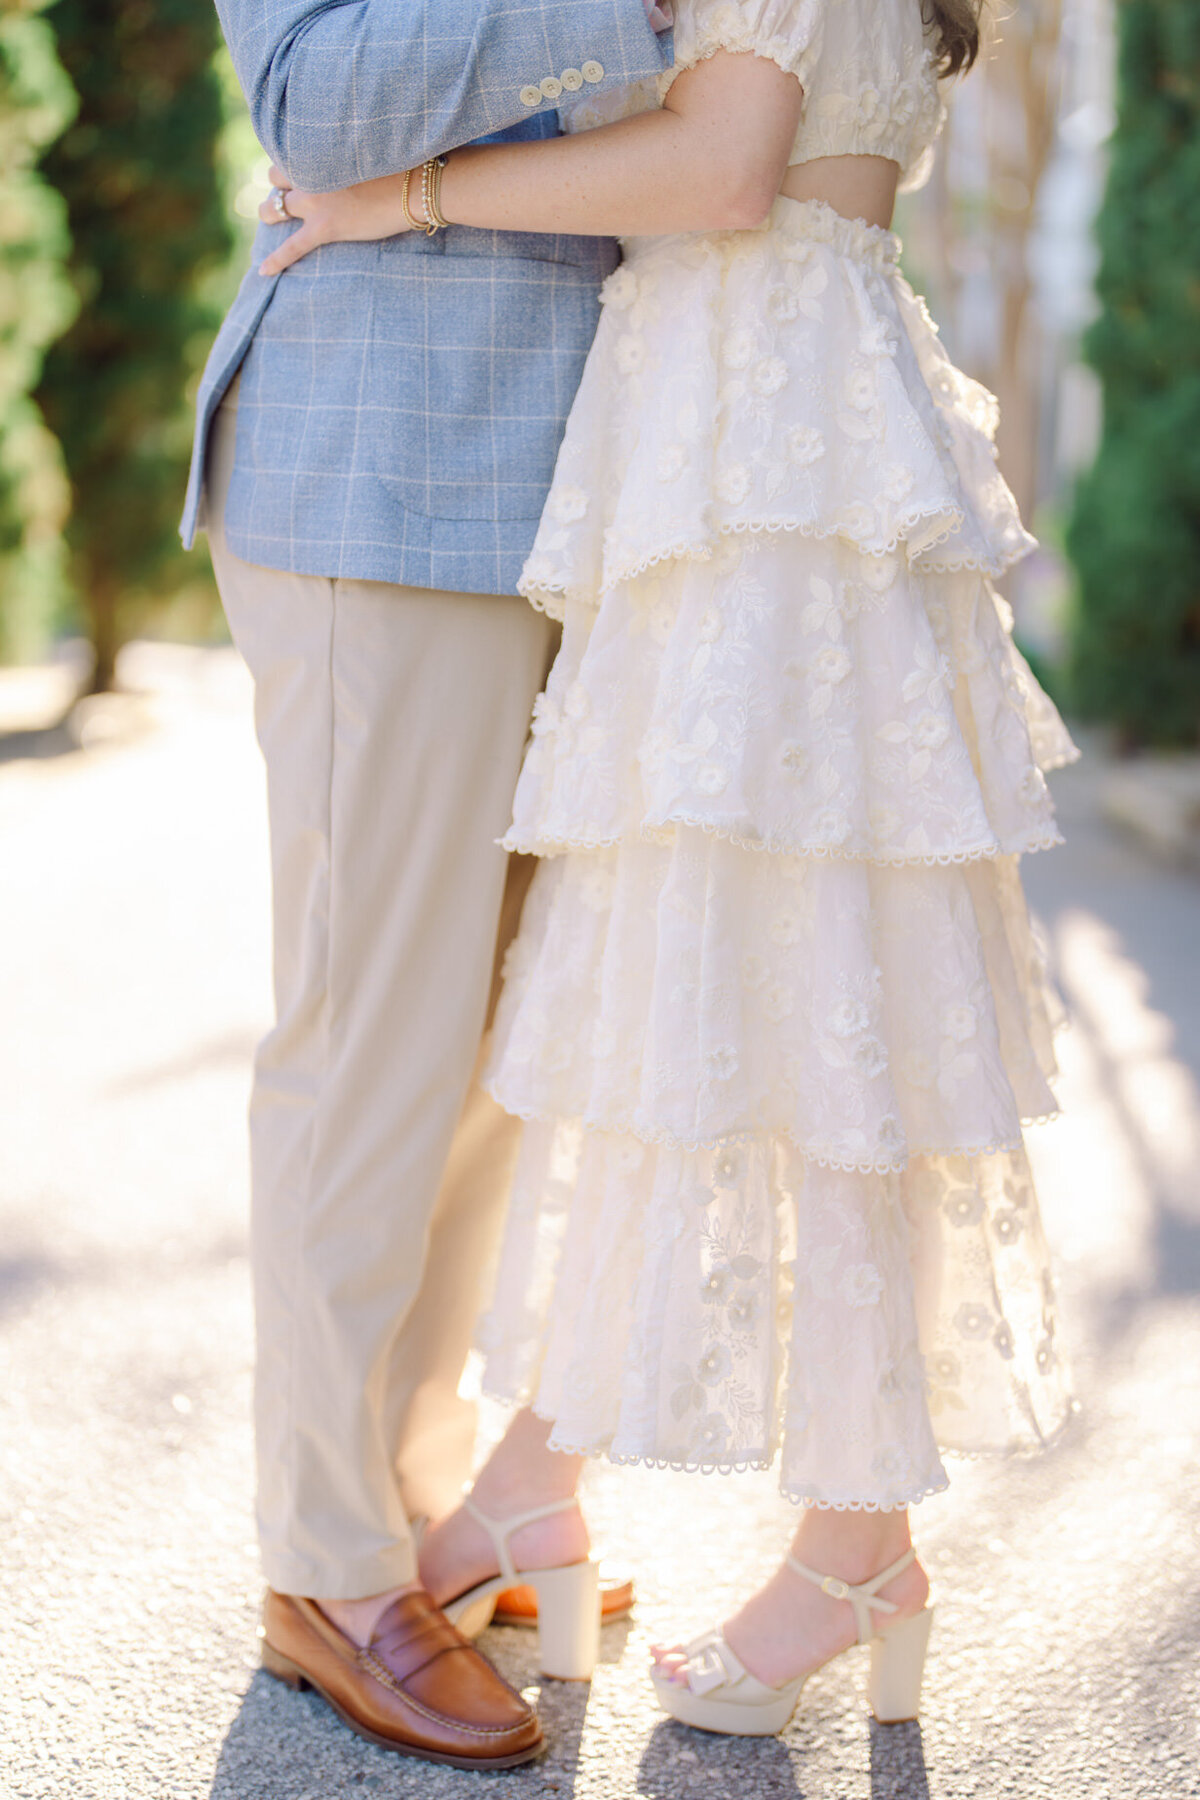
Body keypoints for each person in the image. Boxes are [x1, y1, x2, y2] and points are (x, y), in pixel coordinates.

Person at [260, 0, 1078, 1742]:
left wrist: (390, 202)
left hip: (761, 450)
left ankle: (850, 1542)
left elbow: (719, 171)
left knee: (797, 994)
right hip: (742, 434)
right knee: (704, 983)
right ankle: (541, 1477)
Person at [183, 0, 676, 1772]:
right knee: (372, 1047)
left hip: (575, 483)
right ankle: (325, 1573)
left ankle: (403, 1497)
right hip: (382, 476)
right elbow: (320, 100)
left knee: (477, 1063)